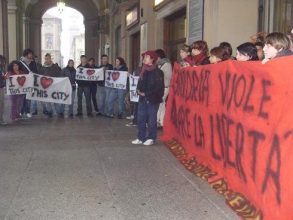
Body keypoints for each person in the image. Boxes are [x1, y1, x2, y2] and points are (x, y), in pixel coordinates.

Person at [132, 51, 165, 146]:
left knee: (151, 120)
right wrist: (138, 90)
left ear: (152, 59)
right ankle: (140, 137)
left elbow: (158, 87)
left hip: (153, 99)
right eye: (144, 57)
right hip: (142, 98)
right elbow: (140, 82)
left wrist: (146, 93)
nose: (144, 59)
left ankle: (151, 137)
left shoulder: (158, 72)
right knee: (141, 119)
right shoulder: (143, 70)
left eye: (146, 57)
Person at [38, 53, 64, 118]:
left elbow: (59, 75)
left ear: (50, 59)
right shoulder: (43, 68)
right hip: (46, 87)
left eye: (48, 58)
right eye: (46, 59)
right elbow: (40, 76)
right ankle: (50, 112)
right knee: (47, 101)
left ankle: (59, 112)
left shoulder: (55, 67)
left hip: (54, 87)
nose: (47, 60)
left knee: (56, 100)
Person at [155, 49, 172, 128]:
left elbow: (168, 77)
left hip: (164, 87)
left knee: (159, 104)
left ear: (159, 57)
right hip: (160, 87)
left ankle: (157, 121)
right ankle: (162, 122)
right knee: (162, 105)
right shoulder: (159, 64)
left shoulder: (167, 64)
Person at [19, 48, 38, 118]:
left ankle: (27, 111)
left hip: (30, 82)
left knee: (28, 97)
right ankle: (21, 111)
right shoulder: (20, 62)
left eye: (31, 54)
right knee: (22, 97)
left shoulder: (33, 63)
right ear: (26, 54)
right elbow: (18, 71)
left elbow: (36, 71)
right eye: (30, 54)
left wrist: (33, 75)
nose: (31, 55)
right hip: (22, 82)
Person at [0, 55, 7, 125]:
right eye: (3, 61)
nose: (4, 63)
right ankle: (1, 120)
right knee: (1, 104)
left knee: (2, 104)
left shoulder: (1, 69)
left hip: (1, 87)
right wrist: (3, 77)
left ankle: (1, 119)